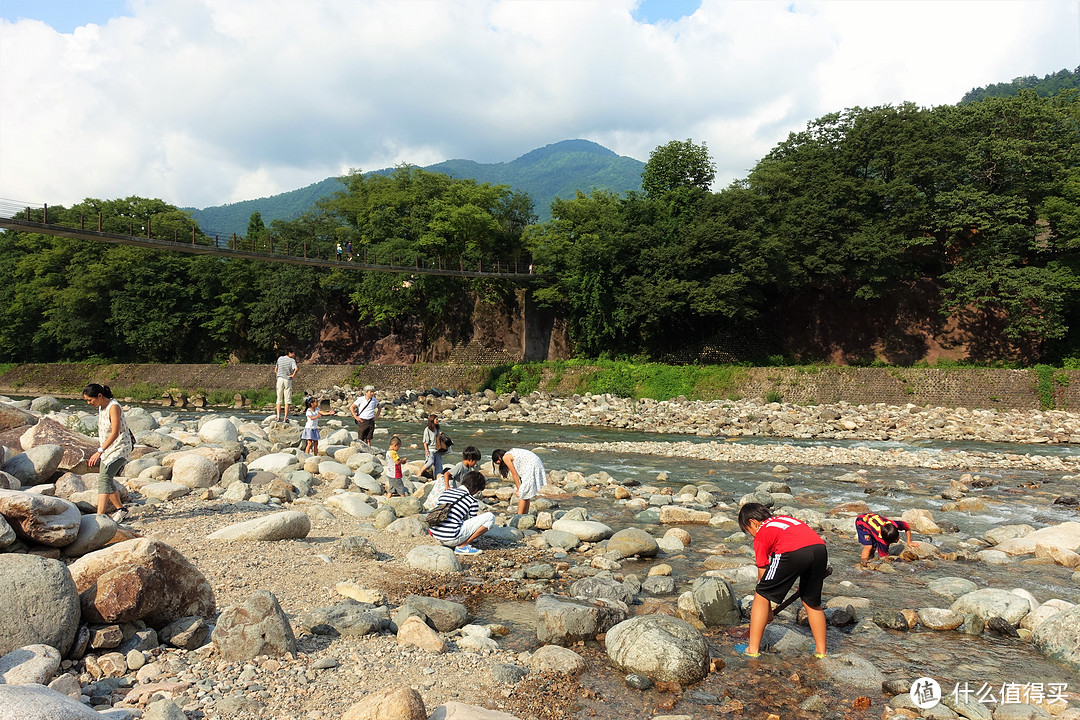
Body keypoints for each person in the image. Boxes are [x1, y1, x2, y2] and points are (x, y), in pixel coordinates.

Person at [735, 502, 828, 659]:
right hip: (819, 549)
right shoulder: (783, 520)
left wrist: (768, 609)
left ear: (753, 522)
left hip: (791, 551)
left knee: (761, 593)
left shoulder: (762, 532)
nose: (750, 534)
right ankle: (821, 651)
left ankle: (752, 649)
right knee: (812, 602)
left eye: (747, 531)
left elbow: (763, 576)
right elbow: (805, 543)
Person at [82, 383, 133, 521]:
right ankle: (121, 510)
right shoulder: (101, 406)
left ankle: (100, 517)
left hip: (120, 447)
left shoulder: (113, 407)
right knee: (106, 479)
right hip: (108, 449)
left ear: (99, 396)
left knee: (103, 480)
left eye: (90, 400)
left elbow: (115, 432)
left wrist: (99, 451)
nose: (88, 403)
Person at [428, 470, 493, 555]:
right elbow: (472, 524)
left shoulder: (446, 492)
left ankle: (446, 538)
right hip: (451, 539)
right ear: (476, 489)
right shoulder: (471, 500)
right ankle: (463, 546)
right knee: (490, 517)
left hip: (436, 535)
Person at [491, 447, 547, 515]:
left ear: (499, 457)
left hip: (532, 465)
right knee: (526, 494)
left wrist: (519, 489)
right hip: (536, 462)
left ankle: (519, 516)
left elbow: (515, 474)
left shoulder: (505, 457)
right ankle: (525, 515)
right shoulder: (511, 452)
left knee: (522, 494)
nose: (500, 464)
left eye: (498, 463)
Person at [424, 445, 481, 511]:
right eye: (475, 461)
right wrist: (447, 487)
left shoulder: (468, 469)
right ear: (470, 459)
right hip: (454, 489)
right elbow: (446, 474)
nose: (475, 464)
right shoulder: (460, 466)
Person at [274, 350, 297, 422]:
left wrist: (278, 375)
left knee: (279, 398)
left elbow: (275, 369)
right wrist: (292, 375)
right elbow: (296, 369)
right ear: (289, 353)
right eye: (293, 353)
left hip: (280, 379)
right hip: (287, 379)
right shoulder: (292, 360)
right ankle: (285, 418)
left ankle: (278, 417)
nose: (294, 355)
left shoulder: (280, 358)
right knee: (287, 399)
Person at [421, 414, 444, 479]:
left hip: (437, 449)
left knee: (439, 466)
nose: (437, 420)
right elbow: (425, 442)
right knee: (430, 462)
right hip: (430, 450)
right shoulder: (427, 429)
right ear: (432, 420)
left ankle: (437, 479)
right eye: (436, 419)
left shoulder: (438, 429)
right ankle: (419, 473)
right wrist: (426, 451)